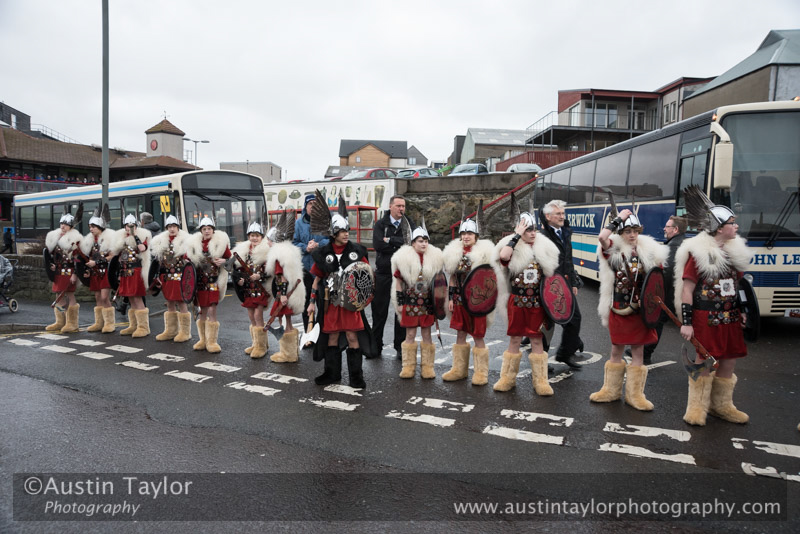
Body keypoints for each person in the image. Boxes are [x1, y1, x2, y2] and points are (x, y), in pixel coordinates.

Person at [676, 186, 753, 426]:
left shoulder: (732, 254)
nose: (736, 226)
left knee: (729, 358)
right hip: (704, 316)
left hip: (729, 316)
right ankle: (697, 408)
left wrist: (742, 311)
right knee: (703, 359)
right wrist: (687, 323)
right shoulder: (697, 253)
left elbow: (737, 285)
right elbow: (687, 290)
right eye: (732, 222)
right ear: (720, 228)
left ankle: (722, 406)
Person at [591, 207, 667, 411]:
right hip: (619, 308)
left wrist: (650, 301)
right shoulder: (614, 250)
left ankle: (635, 395)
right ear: (621, 233)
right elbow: (602, 238)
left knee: (638, 351)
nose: (632, 235)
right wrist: (618, 219)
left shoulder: (650, 252)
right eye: (627, 231)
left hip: (639, 312)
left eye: (635, 230)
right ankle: (611, 391)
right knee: (616, 349)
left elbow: (656, 282)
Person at [492, 196, 560, 395]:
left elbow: (552, 280)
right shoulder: (512, 248)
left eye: (533, 230)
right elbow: (503, 257)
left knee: (537, 340)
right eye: (528, 230)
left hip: (537, 303)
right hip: (517, 302)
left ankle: (541, 382)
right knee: (514, 340)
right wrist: (516, 236)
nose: (532, 233)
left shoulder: (544, 248)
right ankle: (507, 379)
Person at [307, 191, 375, 388]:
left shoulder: (357, 251)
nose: (346, 234)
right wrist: (312, 302)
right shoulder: (323, 253)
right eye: (342, 231)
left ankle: (356, 377)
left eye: (347, 230)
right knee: (332, 336)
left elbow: (367, 277)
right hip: (331, 302)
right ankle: (332, 373)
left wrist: (366, 297)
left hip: (351, 303)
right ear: (333, 233)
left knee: (353, 336)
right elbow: (317, 279)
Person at [441, 201, 495, 386]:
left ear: (476, 236)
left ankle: (481, 373)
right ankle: (459, 370)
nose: (466, 236)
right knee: (460, 333)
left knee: (478, 335)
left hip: (478, 301)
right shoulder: (454, 253)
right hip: (459, 300)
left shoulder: (485, 254)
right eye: (463, 233)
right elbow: (454, 278)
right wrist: (450, 298)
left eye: (469, 233)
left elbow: (491, 280)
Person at [625, 215, 688, 363]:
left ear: (675, 229)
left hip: (670, 293)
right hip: (679, 292)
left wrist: (655, 293)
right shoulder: (683, 243)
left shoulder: (673, 247)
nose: (664, 229)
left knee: (657, 321)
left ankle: (646, 353)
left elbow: (666, 272)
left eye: (667, 226)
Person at [391, 217, 444, 379]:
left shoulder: (434, 260)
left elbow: (440, 283)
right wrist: (399, 303)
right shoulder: (404, 259)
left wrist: (438, 304)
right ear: (413, 243)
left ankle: (427, 368)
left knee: (427, 335)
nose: (423, 244)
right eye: (420, 241)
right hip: (410, 303)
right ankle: (408, 367)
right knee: (410, 335)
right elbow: (399, 282)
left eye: (426, 241)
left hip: (428, 304)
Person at [538, 199, 584, 369]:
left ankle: (565, 354)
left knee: (574, 318)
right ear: (548, 216)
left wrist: (572, 282)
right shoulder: (541, 236)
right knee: (547, 324)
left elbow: (568, 260)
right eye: (558, 214)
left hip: (564, 282)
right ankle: (541, 361)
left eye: (563, 213)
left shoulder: (565, 232)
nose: (562, 216)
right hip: (548, 284)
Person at [372, 195, 415, 358]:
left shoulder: (409, 223)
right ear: (390, 207)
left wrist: (390, 240)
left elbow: (412, 243)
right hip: (383, 273)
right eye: (398, 206)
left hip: (403, 274)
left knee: (401, 311)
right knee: (379, 312)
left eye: (403, 206)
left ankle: (400, 347)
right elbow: (378, 245)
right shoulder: (380, 224)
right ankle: (375, 346)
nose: (401, 209)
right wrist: (400, 245)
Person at [186, 215, 231, 354]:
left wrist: (223, 261)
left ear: (213, 230)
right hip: (199, 282)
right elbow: (186, 261)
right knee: (202, 311)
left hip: (212, 281)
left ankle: (212, 341)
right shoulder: (194, 244)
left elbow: (231, 259)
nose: (207, 231)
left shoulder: (220, 243)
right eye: (204, 229)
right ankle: (203, 340)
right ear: (201, 230)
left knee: (212, 310)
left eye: (209, 228)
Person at [265, 213, 306, 363]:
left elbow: (282, 277)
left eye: (269, 240)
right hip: (293, 292)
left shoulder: (278, 254)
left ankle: (287, 355)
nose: (267, 242)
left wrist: (282, 295)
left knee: (284, 322)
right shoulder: (291, 250)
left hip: (286, 293)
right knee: (288, 321)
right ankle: (292, 353)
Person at [293, 194, 330, 343]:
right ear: (305, 207)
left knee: (322, 302)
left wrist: (318, 245)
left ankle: (321, 335)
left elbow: (331, 240)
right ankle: (308, 334)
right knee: (306, 302)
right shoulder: (298, 223)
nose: (313, 207)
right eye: (310, 204)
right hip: (305, 269)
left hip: (322, 269)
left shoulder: (325, 222)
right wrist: (305, 247)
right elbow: (294, 243)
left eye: (316, 204)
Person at [150, 215, 193, 343]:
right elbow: (157, 262)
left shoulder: (186, 241)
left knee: (181, 302)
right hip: (167, 276)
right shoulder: (160, 241)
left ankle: (185, 332)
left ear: (178, 227)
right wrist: (156, 277)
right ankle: (171, 331)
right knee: (169, 302)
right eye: (169, 227)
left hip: (181, 276)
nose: (172, 229)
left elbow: (191, 260)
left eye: (174, 226)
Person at [79, 206, 122, 334]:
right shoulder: (90, 241)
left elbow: (113, 256)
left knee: (104, 297)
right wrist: (87, 270)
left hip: (105, 272)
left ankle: (109, 323)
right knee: (97, 296)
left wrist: (97, 262)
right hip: (94, 272)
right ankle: (99, 322)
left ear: (100, 228)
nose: (91, 229)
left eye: (94, 227)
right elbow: (88, 257)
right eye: (90, 227)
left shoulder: (109, 239)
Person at [231, 221, 271, 358]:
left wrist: (260, 275)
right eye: (252, 235)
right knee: (251, 317)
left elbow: (271, 271)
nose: (254, 238)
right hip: (248, 290)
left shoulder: (267, 252)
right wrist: (240, 280)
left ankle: (261, 348)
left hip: (260, 289)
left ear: (261, 237)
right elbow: (240, 272)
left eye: (257, 235)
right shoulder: (245, 253)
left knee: (257, 316)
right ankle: (257, 343)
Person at [44, 211, 83, 333]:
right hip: (58, 272)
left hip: (69, 271)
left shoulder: (75, 239)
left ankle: (72, 323)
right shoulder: (55, 238)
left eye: (66, 224)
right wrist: (52, 265)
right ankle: (60, 322)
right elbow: (52, 256)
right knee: (58, 295)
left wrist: (75, 273)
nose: (62, 226)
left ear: (71, 226)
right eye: (61, 223)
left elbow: (78, 258)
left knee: (69, 295)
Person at [115, 214, 153, 338]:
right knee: (130, 298)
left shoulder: (143, 236)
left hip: (136, 270)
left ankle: (143, 327)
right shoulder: (121, 239)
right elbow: (118, 255)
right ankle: (133, 325)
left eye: (132, 226)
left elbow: (142, 248)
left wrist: (134, 236)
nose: (129, 228)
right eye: (127, 226)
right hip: (125, 271)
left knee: (137, 298)